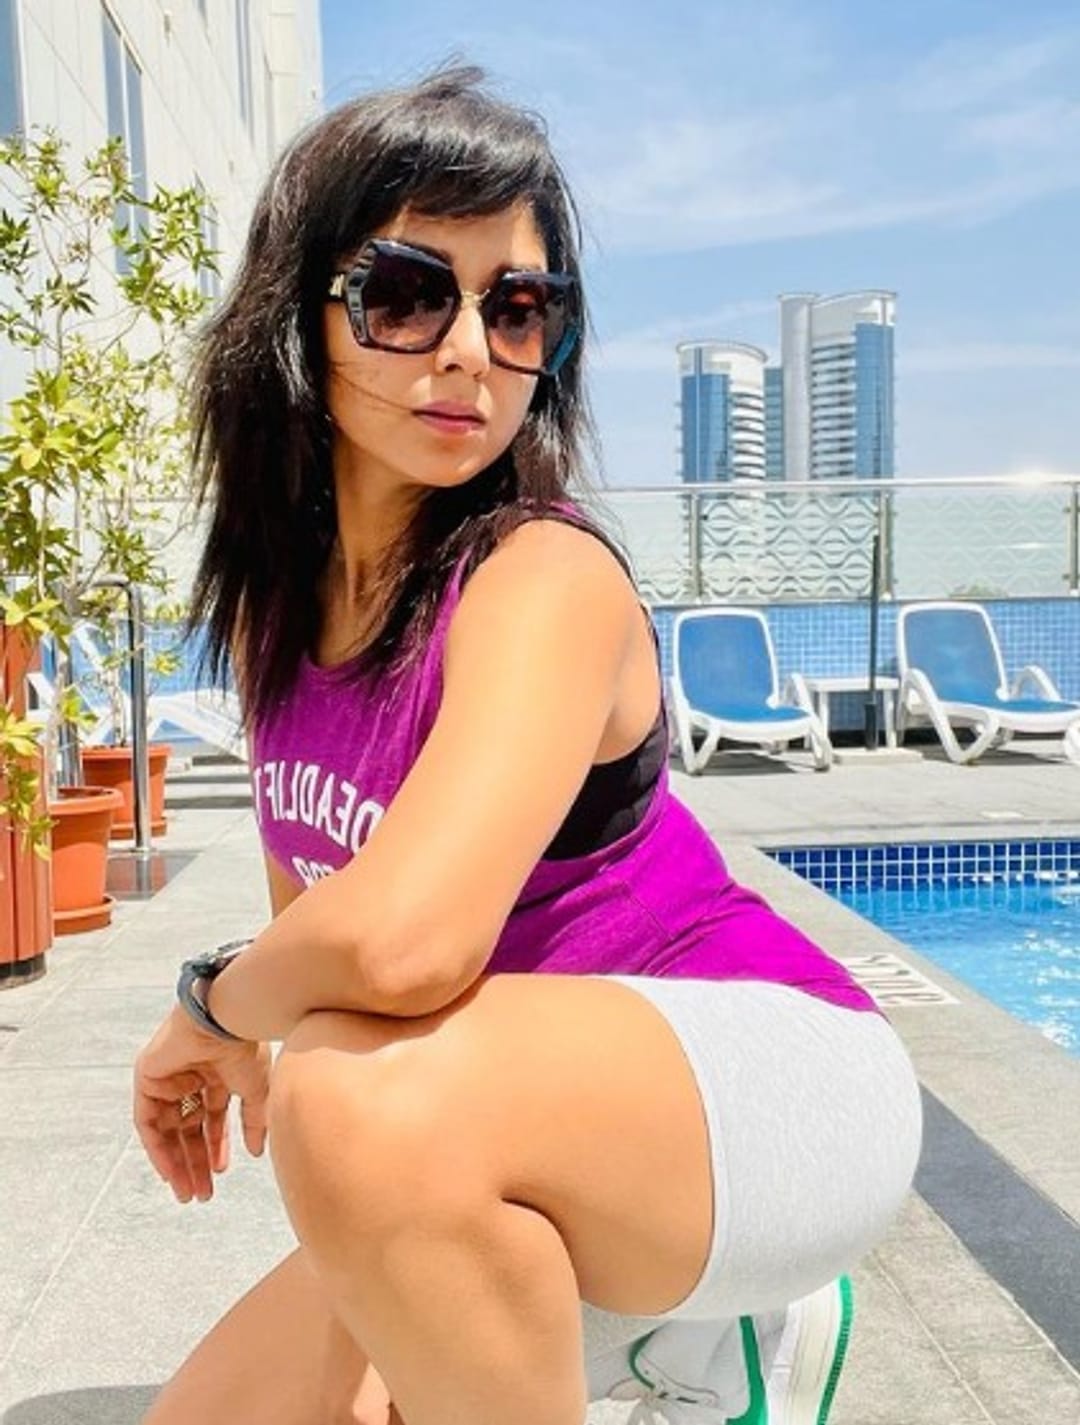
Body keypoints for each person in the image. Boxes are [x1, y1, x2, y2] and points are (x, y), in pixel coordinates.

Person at [133, 66, 922, 1425]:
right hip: (499, 1115)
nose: (467, 352)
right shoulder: (281, 620)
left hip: (766, 1084)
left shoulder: (541, 575)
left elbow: (401, 949)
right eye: (404, 294)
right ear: (296, 315)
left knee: (347, 1100)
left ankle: (726, 1317)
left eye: (516, 310)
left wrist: (204, 1011)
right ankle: (627, 1333)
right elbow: (327, 953)